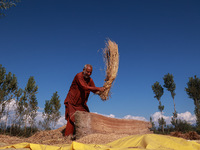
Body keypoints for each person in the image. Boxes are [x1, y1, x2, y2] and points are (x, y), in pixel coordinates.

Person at [64, 64, 104, 138]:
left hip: (81, 104)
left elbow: (93, 89)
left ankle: (84, 137)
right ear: (83, 70)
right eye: (87, 72)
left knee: (87, 116)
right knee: (71, 118)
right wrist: (98, 89)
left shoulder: (90, 80)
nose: (89, 74)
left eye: (90, 72)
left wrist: (103, 91)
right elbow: (84, 87)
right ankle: (67, 138)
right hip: (72, 101)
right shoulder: (78, 76)